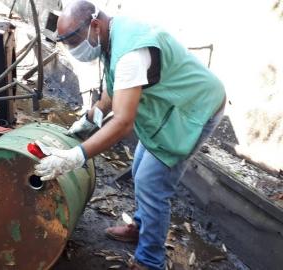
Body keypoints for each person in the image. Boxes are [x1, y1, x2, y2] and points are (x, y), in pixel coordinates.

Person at [33, 1, 226, 269]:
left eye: (75, 41)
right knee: (139, 169)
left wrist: (75, 156)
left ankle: (149, 260)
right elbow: (114, 90)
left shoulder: (130, 53)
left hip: (194, 109)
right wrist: (91, 118)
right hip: (168, 107)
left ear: (94, 25)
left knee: (152, 184)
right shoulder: (112, 34)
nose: (74, 49)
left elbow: (123, 122)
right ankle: (140, 226)